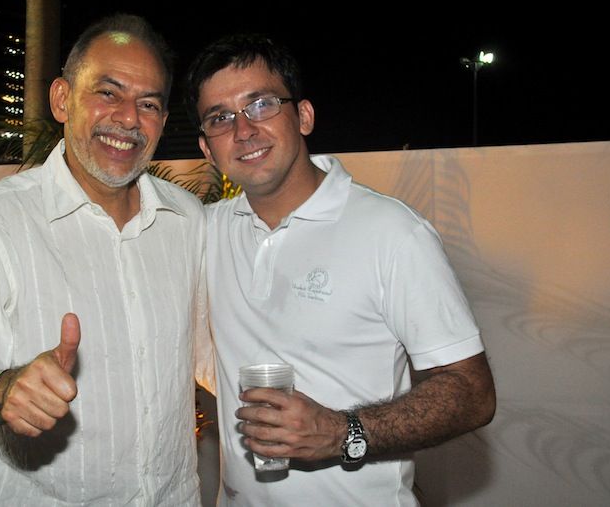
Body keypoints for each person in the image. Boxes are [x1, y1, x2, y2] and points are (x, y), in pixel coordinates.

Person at [0, 13, 212, 506]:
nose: (129, 118)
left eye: (148, 103)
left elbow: (217, 354)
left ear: (164, 123)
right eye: (108, 92)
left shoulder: (187, 219)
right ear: (62, 99)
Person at [184, 33, 496, 505]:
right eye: (220, 118)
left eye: (261, 104)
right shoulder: (206, 232)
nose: (243, 129)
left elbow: (472, 393)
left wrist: (341, 432)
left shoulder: (391, 232)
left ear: (304, 116)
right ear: (208, 149)